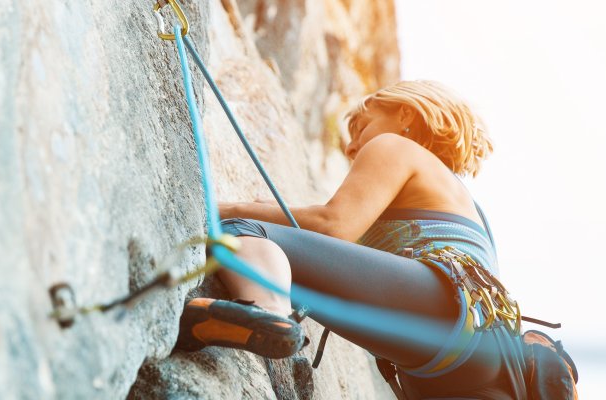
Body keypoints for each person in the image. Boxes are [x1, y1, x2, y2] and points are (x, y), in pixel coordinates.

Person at [173, 80, 577, 399]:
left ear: (405, 115)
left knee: (243, 234)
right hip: (482, 367)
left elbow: (334, 226)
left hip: (442, 313)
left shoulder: (396, 147)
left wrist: (234, 209)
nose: (351, 147)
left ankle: (267, 312)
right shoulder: (469, 210)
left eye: (361, 125)